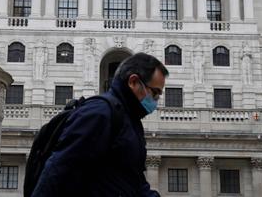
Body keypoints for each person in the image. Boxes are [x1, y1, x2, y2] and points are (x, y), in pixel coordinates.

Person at [31, 52, 168, 197]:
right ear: (133, 82)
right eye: (155, 93)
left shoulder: (131, 121)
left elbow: (135, 182)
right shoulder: (99, 113)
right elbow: (58, 169)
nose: (156, 100)